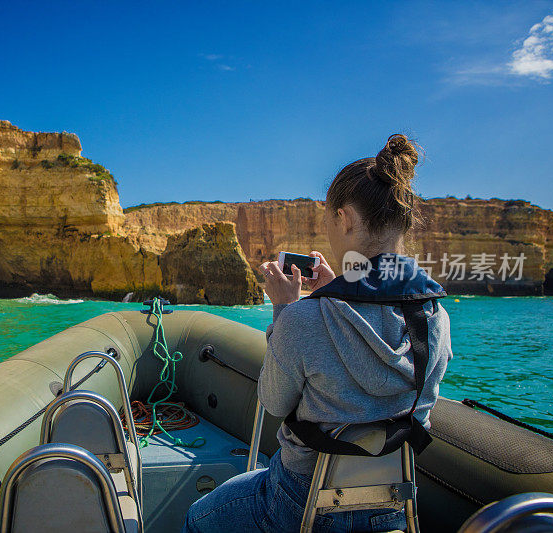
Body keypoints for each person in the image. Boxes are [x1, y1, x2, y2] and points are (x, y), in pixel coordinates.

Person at [182, 134, 453, 533]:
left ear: (344, 219)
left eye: (329, 223)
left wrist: (284, 309)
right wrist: (341, 284)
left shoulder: (303, 320)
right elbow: (380, 284)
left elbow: (274, 402)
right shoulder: (436, 318)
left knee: (196, 519)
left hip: (300, 502)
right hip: (393, 507)